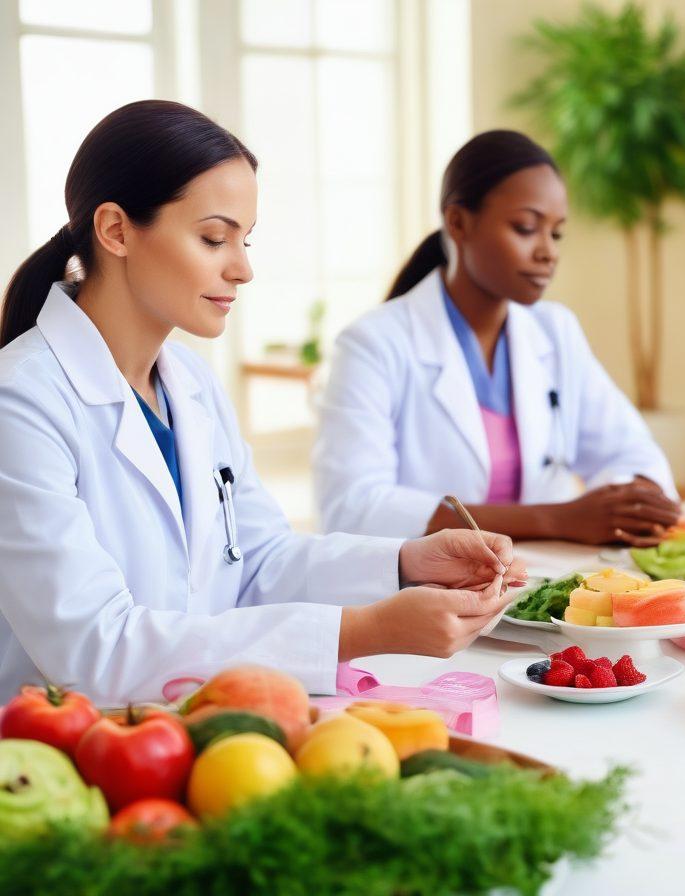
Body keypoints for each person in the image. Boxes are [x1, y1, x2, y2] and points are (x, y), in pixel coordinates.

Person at [0, 100, 524, 705]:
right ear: (116, 229)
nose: (243, 269)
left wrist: (407, 565)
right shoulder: (23, 404)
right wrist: (363, 631)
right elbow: (96, 649)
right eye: (214, 238)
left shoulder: (188, 384)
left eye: (245, 240)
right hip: (64, 760)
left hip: (201, 730)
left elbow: (258, 559)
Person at [314, 130, 680, 545]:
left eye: (556, 233)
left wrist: (638, 496)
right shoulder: (372, 344)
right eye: (526, 228)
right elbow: (353, 507)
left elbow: (629, 448)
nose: (548, 251)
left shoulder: (555, 330)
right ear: (458, 223)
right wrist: (555, 519)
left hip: (542, 581)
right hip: (426, 592)